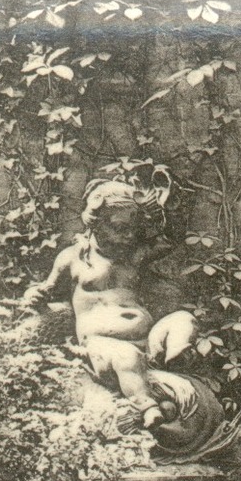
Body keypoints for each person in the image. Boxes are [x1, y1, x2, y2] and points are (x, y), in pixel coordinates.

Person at [23, 179, 201, 431]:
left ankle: (173, 361)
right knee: (126, 357)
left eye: (133, 229)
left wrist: (163, 207)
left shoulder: (134, 256)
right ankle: (147, 406)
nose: (129, 236)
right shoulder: (72, 259)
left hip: (145, 343)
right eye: (120, 228)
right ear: (95, 221)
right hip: (102, 348)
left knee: (184, 319)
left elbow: (170, 239)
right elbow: (45, 291)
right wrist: (35, 296)